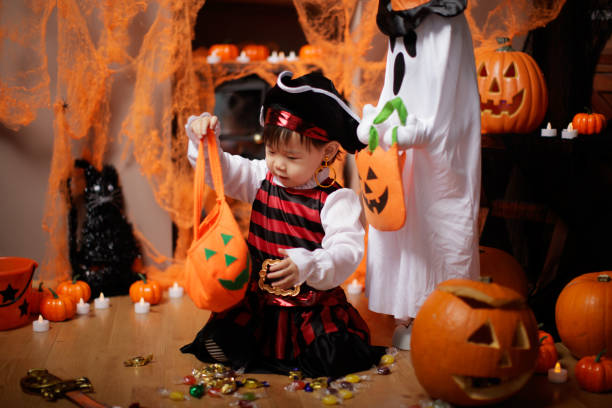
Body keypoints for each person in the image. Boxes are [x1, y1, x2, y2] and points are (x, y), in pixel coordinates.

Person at [181, 71, 385, 378]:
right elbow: (221, 173)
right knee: (223, 339)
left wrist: (309, 265)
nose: (278, 163)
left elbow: (346, 250)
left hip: (309, 304)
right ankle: (239, 343)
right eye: (271, 151)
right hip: (259, 301)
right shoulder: (263, 177)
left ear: (327, 152)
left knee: (331, 355)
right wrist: (203, 141)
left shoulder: (336, 200)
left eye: (291, 156)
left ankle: (316, 347)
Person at [356, 0, 481, 349]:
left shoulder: (445, 28)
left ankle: (440, 312)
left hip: (437, 147)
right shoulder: (398, 25)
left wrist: (421, 131)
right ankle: (404, 312)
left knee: (436, 219)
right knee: (401, 222)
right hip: (401, 143)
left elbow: (444, 98)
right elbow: (394, 86)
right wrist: (378, 121)